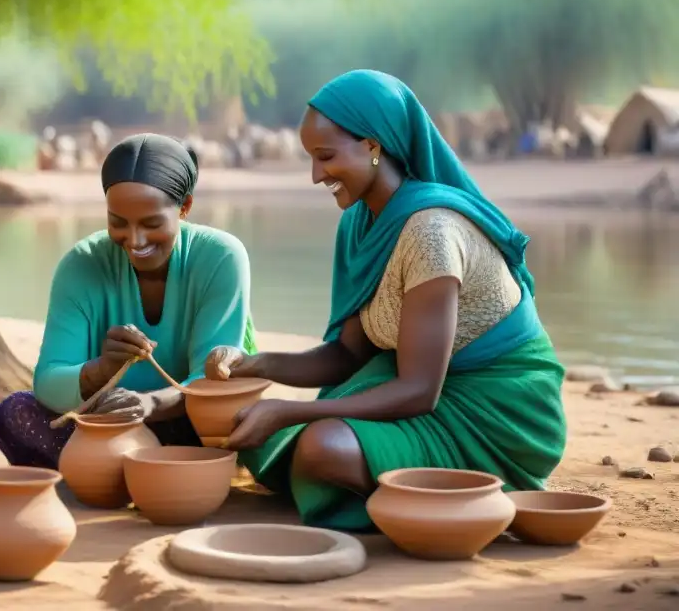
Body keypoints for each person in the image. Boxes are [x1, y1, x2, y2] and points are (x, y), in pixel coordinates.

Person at [204, 69, 567, 531]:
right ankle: (397, 480)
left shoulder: (430, 233)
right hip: (426, 392)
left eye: (326, 157)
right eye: (311, 159)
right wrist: (254, 363)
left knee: (319, 447)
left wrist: (290, 410)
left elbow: (419, 390)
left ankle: (450, 494)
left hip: (499, 411)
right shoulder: (360, 224)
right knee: (261, 435)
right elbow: (347, 356)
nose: (316, 175)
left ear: (373, 147)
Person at [0, 133, 257, 468]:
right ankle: (131, 470)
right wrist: (98, 371)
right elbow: (48, 383)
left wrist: (150, 405)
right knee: (17, 413)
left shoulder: (220, 257)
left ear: (185, 207)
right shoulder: (82, 264)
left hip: (188, 423)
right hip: (105, 426)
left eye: (151, 223)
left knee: (225, 418)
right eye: (118, 223)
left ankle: (128, 471)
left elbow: (213, 383)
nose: (134, 240)